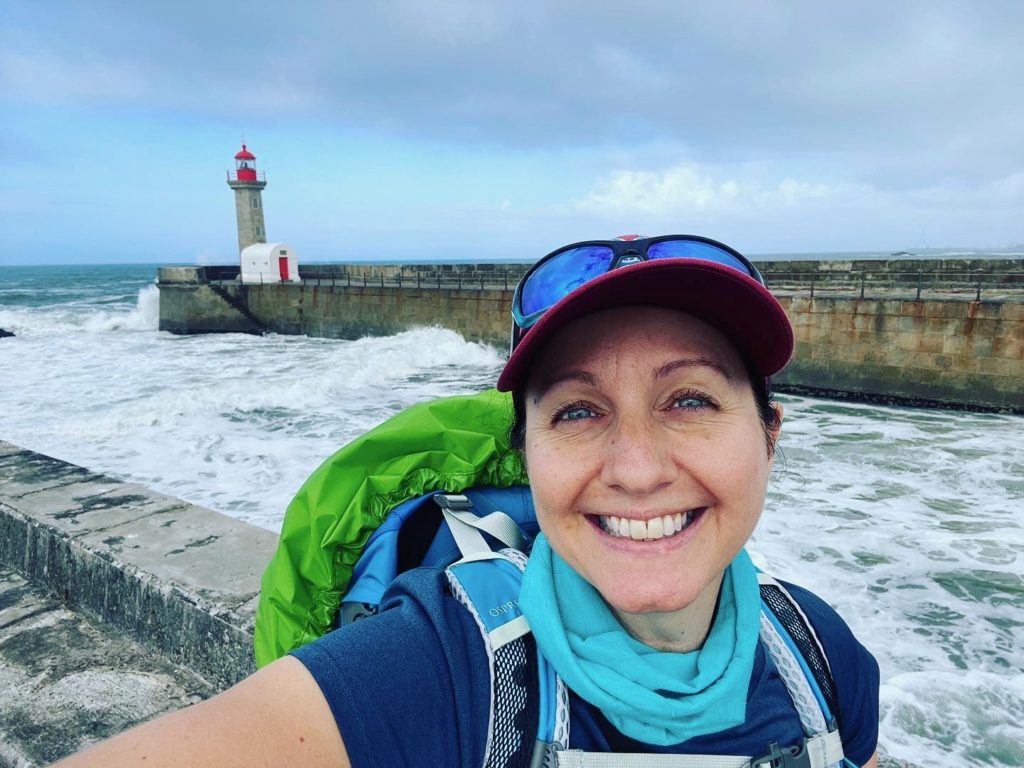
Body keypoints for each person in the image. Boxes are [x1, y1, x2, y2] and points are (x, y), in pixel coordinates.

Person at [54, 234, 880, 767]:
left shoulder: (818, 656)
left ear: (770, 433)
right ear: (527, 454)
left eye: (691, 400)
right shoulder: (447, 671)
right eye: (579, 410)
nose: (635, 469)